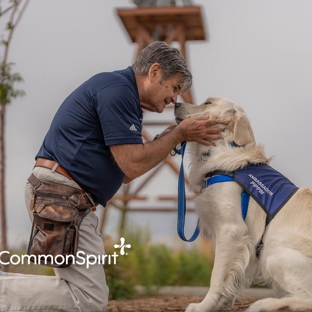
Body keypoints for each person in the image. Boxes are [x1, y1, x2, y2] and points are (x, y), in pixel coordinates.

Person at [0, 41, 223, 311]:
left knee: (85, 297)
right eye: (174, 88)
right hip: (61, 195)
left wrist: (167, 137)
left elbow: (125, 174)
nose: (174, 99)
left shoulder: (122, 95)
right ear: (154, 72)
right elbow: (132, 165)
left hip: (67, 197)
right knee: (89, 299)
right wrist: (179, 134)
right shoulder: (118, 92)